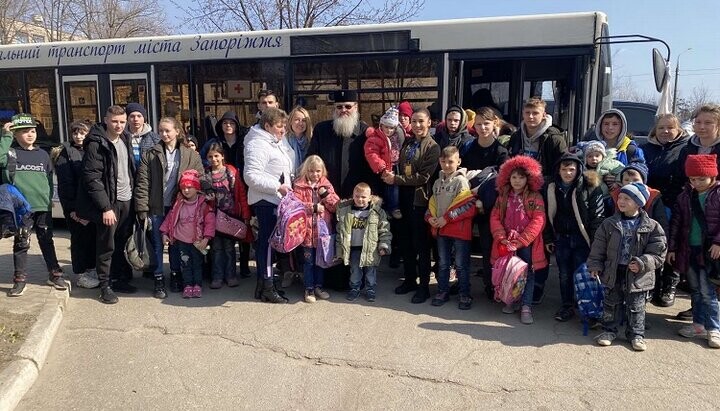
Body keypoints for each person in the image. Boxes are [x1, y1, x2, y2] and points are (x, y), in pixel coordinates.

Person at [588, 182, 666, 351]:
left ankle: (636, 334)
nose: (621, 201)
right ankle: (609, 330)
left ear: (639, 202)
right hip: (613, 270)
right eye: (620, 198)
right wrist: (595, 265)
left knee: (636, 305)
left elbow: (658, 252)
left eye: (627, 198)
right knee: (611, 302)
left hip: (638, 274)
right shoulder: (609, 224)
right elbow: (598, 246)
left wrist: (642, 263)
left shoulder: (651, 226)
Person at [134, 117, 204, 298]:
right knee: (158, 243)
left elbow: (200, 177)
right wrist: (142, 208)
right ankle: (158, 279)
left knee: (175, 244)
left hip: (179, 206)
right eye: (161, 131)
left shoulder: (190, 154)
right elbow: (142, 182)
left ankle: (175, 275)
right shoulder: (150, 154)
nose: (164, 134)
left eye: (167, 131)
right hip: (157, 206)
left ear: (177, 131)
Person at [75, 106, 137, 304]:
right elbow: (92, 179)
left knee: (121, 243)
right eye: (114, 121)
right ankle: (104, 286)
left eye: (122, 121)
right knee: (106, 246)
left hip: (126, 200)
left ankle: (119, 279)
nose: (118, 125)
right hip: (110, 204)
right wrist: (105, 207)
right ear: (106, 120)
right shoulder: (96, 143)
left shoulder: (125, 138)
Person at [0, 114, 66, 297]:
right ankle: (19, 279)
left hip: (42, 207)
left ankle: (54, 273)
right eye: (23, 132)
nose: (29, 135)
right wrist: (5, 136)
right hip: (22, 208)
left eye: (32, 131)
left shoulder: (42, 154)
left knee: (47, 240)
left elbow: (47, 180)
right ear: (15, 134)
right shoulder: (11, 153)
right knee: (22, 243)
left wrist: (49, 201)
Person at [383, 109, 440, 304]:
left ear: (429, 123)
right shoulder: (408, 142)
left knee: (421, 245)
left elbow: (423, 177)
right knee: (405, 242)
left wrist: (396, 180)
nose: (417, 125)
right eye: (414, 121)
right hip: (403, 199)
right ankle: (409, 280)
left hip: (419, 201)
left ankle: (423, 287)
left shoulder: (433, 147)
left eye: (421, 121)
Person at [543, 153, 604, 322]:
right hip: (561, 238)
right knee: (564, 274)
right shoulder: (551, 188)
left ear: (578, 170)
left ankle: (586, 307)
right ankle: (567, 306)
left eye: (572, 169)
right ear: (558, 170)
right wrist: (548, 238)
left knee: (583, 274)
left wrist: (596, 244)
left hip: (582, 239)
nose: (568, 173)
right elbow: (546, 215)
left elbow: (597, 218)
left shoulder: (590, 186)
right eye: (564, 169)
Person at [669, 154, 720, 348]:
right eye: (692, 179)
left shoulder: (717, 194)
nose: (696, 182)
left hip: (709, 251)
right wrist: (672, 247)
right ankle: (698, 324)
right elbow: (676, 222)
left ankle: (714, 328)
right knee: (696, 291)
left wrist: (718, 243)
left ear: (712, 176)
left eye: (701, 178)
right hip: (688, 249)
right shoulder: (685, 196)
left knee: (709, 292)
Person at [244, 107, 294, 303]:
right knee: (267, 244)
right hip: (266, 200)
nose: (283, 131)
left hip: (275, 199)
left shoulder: (273, 143)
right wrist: (277, 187)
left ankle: (263, 285)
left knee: (269, 244)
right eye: (280, 127)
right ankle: (267, 285)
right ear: (267, 126)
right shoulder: (258, 144)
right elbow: (251, 176)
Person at [490, 155, 546, 324]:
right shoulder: (502, 196)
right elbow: (495, 217)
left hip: (525, 244)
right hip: (507, 241)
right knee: (509, 273)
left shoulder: (535, 197)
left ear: (528, 178)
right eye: (514, 177)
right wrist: (501, 237)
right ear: (508, 178)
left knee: (527, 273)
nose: (517, 181)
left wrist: (521, 241)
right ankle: (511, 300)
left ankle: (526, 305)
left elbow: (539, 220)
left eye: (521, 177)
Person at [200, 111, 252, 277]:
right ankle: (215, 272)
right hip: (218, 189)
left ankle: (242, 267)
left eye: (231, 122)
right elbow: (202, 161)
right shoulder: (214, 143)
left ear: (236, 124)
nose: (228, 126)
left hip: (239, 186)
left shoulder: (244, 141)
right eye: (224, 123)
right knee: (217, 242)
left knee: (242, 231)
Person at [426, 146, 476, 309]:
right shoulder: (437, 182)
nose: (447, 165)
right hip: (442, 230)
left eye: (450, 162)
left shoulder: (461, 181)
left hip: (459, 231)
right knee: (443, 263)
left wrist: (447, 218)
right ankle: (442, 291)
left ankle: (464, 294)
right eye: (443, 161)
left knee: (461, 264)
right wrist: (430, 218)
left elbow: (467, 206)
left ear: (458, 162)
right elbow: (432, 203)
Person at [307, 90, 376, 197]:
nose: (343, 110)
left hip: (357, 199)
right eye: (339, 107)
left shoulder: (365, 133)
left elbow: (372, 169)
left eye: (348, 107)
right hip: (325, 197)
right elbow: (311, 160)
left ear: (356, 107)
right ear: (334, 108)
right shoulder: (321, 130)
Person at [160, 170, 216, 299]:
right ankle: (187, 285)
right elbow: (170, 218)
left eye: (190, 187)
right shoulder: (178, 204)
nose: (186, 190)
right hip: (182, 241)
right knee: (185, 264)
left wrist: (207, 238)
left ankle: (197, 285)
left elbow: (210, 223)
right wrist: (165, 233)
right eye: (184, 187)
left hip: (197, 242)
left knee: (197, 264)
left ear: (196, 188)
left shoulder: (203, 205)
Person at [55, 120, 98, 289]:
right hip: (76, 208)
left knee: (93, 239)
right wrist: (73, 210)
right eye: (75, 133)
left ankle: (93, 270)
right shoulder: (65, 153)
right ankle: (82, 274)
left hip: (92, 206)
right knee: (80, 240)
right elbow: (65, 185)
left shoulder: (93, 149)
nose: (79, 136)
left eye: (82, 133)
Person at [293, 155, 340, 303]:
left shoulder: (326, 185)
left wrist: (325, 195)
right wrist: (312, 207)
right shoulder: (299, 185)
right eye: (312, 171)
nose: (315, 174)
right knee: (308, 262)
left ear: (323, 171)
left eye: (318, 171)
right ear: (306, 171)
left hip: (322, 231)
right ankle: (309, 288)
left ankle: (319, 286)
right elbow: (295, 205)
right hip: (306, 231)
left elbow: (336, 206)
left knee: (321, 261)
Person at [205, 143, 251, 289]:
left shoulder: (232, 172)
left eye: (216, 156)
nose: (214, 159)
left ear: (222, 156)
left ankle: (231, 275)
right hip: (213, 218)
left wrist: (245, 214)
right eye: (210, 156)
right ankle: (217, 276)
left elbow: (241, 194)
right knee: (216, 249)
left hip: (230, 217)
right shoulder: (206, 175)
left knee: (230, 248)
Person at [336, 183, 392, 302]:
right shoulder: (346, 211)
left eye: (363, 197)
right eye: (357, 196)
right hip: (354, 248)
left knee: (370, 271)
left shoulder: (377, 212)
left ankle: (370, 289)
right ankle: (354, 289)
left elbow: (384, 230)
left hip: (371, 248)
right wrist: (339, 250)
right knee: (355, 270)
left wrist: (383, 245)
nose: (360, 199)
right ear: (353, 196)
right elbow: (340, 232)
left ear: (370, 197)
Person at [507, 97, 567, 180]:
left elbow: (564, 165)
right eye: (527, 113)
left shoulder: (554, 138)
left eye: (535, 113)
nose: (530, 116)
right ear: (523, 114)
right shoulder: (516, 136)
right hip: (519, 183)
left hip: (545, 183)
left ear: (544, 115)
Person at [364, 106, 404, 219]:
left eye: (392, 128)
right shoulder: (375, 138)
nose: (389, 130)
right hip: (383, 167)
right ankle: (390, 208)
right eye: (386, 127)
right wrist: (382, 167)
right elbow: (371, 153)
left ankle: (393, 207)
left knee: (394, 187)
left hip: (396, 165)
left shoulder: (397, 136)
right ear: (381, 125)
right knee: (389, 188)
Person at [586, 109, 645, 178]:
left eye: (615, 124)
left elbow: (640, 174)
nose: (610, 128)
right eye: (606, 124)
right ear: (600, 126)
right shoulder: (589, 147)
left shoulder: (632, 150)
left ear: (622, 127)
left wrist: (619, 179)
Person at [286, 106, 313, 173]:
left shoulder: (312, 141)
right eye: (297, 120)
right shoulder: (283, 140)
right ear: (290, 122)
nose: (300, 123)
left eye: (304, 120)